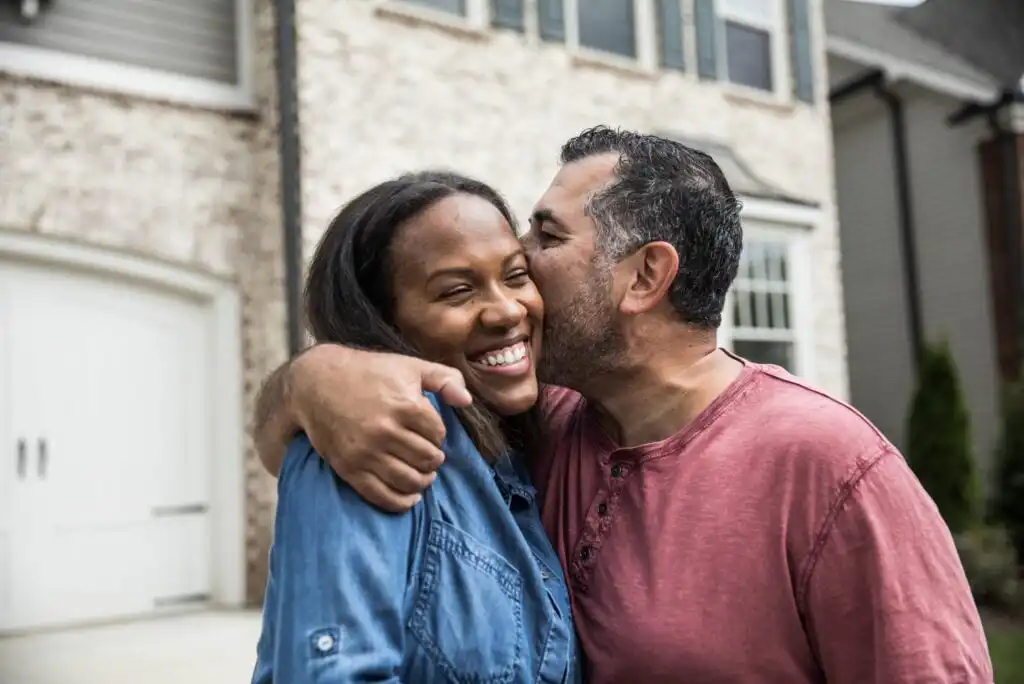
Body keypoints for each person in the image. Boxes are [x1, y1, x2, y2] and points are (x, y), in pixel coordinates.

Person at [254, 127, 993, 683]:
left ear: (644, 277)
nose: (519, 272)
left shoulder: (830, 465)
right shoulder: (539, 425)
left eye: (543, 239)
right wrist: (309, 378)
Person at [251, 171, 580, 684]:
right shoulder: (369, 441)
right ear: (384, 321)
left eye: (515, 275)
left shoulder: (524, 443)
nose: (505, 310)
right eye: (457, 291)